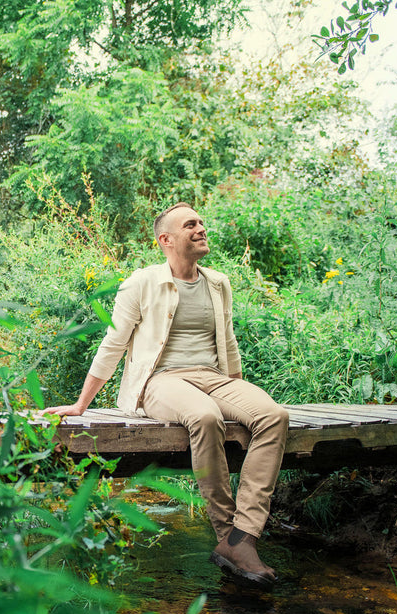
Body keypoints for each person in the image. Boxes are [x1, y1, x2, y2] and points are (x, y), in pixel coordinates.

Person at [41, 202, 289, 586]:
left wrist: (239, 390)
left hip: (212, 376)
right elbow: (113, 343)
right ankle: (228, 536)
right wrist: (81, 404)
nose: (201, 228)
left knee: (274, 416)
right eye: (191, 224)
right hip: (160, 381)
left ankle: (244, 535)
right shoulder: (141, 282)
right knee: (205, 416)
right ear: (166, 240)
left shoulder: (218, 283)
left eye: (202, 222)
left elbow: (229, 342)